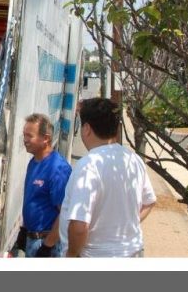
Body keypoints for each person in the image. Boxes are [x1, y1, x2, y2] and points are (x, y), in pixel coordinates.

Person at [61, 98, 156, 257]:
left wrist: (71, 256)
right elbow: (149, 202)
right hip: (133, 253)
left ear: (86, 128)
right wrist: (126, 228)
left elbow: (79, 226)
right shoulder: (133, 159)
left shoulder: (88, 165)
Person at [19, 113, 71, 257]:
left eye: (30, 136)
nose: (25, 140)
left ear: (46, 139)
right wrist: (24, 229)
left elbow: (65, 213)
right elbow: (33, 199)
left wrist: (48, 246)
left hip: (46, 243)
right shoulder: (33, 161)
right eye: (24, 135)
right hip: (32, 239)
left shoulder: (57, 169)